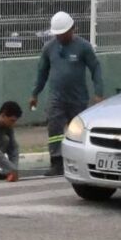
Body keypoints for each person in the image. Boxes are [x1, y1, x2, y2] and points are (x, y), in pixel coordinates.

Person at [29, 10, 105, 176]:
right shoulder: (49, 48)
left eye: (63, 33)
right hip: (56, 98)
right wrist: (35, 93)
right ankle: (56, 162)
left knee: (78, 131)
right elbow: (42, 72)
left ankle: (79, 161)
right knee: (54, 129)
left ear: (72, 29)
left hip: (78, 99)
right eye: (58, 34)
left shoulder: (83, 47)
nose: (60, 37)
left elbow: (95, 68)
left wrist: (99, 93)